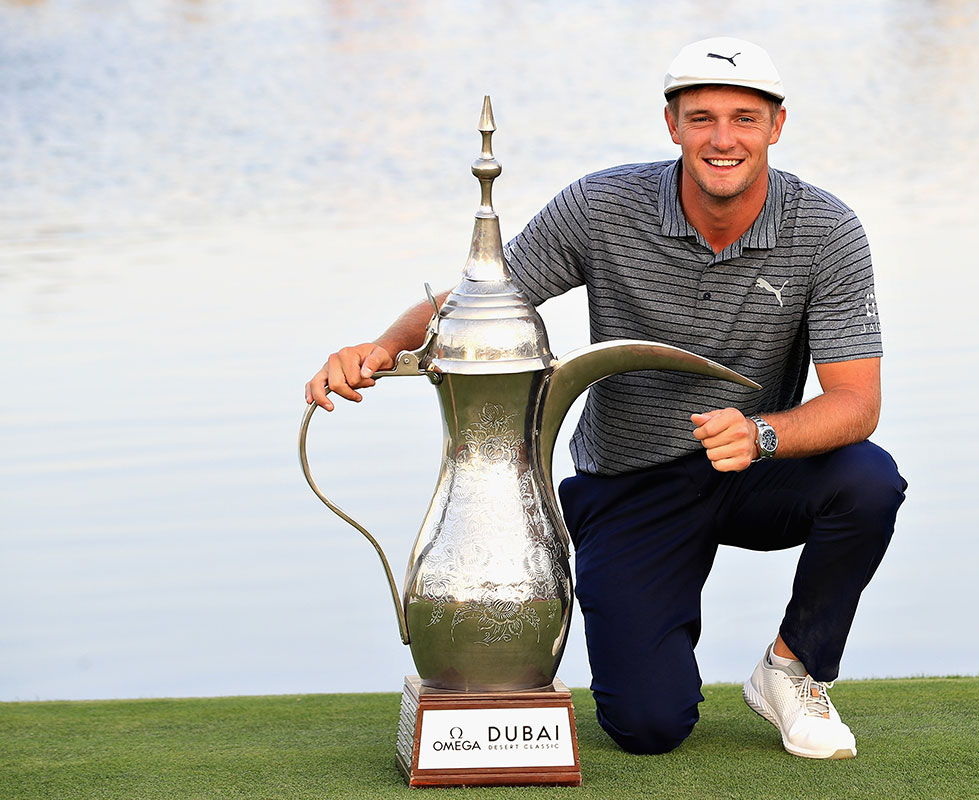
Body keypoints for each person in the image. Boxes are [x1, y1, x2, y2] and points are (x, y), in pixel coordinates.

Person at [306, 37, 906, 760]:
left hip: (752, 464)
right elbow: (476, 304)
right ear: (671, 125)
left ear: (776, 126)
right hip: (632, 480)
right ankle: (618, 572)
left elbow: (855, 403)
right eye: (702, 117)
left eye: (745, 119)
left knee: (870, 480)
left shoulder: (826, 230)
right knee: (647, 728)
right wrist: (381, 349)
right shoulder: (600, 206)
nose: (723, 139)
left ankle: (791, 669)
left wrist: (763, 435)